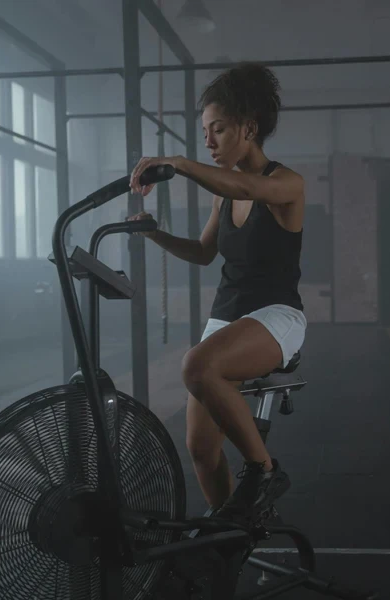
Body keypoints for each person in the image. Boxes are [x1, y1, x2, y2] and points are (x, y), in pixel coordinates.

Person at [127, 63, 305, 523]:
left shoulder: (287, 184)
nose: (208, 142)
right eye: (204, 132)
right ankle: (230, 543)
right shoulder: (221, 194)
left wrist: (182, 164)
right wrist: (154, 233)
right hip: (228, 317)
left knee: (197, 365)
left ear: (249, 128)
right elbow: (205, 253)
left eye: (218, 130)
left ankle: (264, 471)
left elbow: (249, 185)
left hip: (276, 316)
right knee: (202, 450)